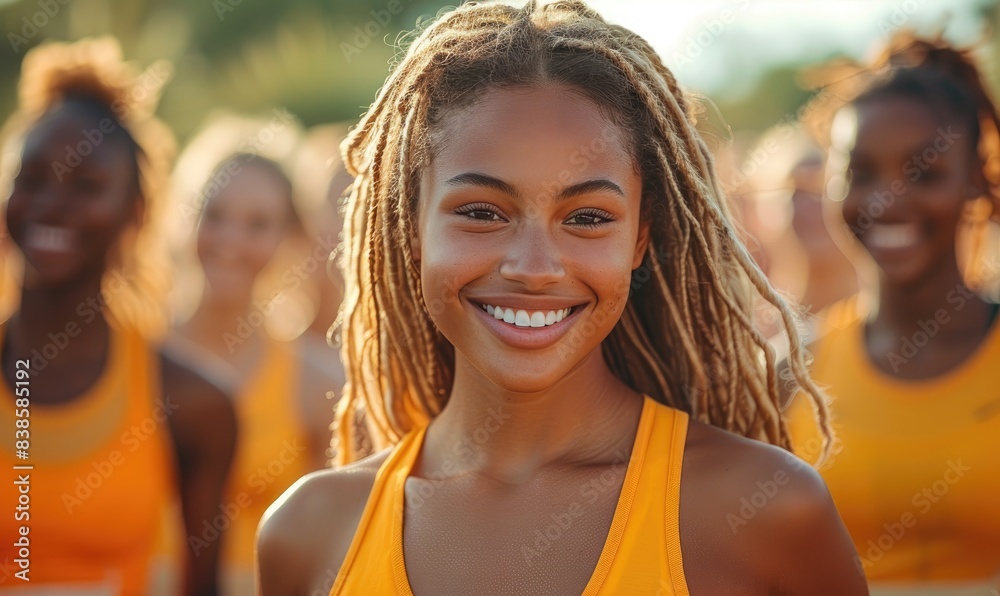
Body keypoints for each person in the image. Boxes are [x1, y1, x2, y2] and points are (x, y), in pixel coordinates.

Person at [258, 2, 867, 595]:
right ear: (410, 226)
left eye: (586, 217)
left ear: (640, 237)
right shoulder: (309, 532)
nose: (534, 268)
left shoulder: (763, 510)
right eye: (480, 212)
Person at [0, 37, 236, 594]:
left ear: (136, 210)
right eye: (30, 179)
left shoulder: (192, 403)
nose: (51, 205)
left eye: (86, 186)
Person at [786, 32, 1000, 592]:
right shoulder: (793, 375)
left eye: (924, 173)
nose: (887, 200)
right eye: (861, 173)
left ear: (976, 180)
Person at [170, 152, 343, 595]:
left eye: (257, 224)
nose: (230, 239)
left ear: (289, 239)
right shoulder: (136, 357)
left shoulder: (318, 383)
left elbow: (331, 553)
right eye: (215, 214)